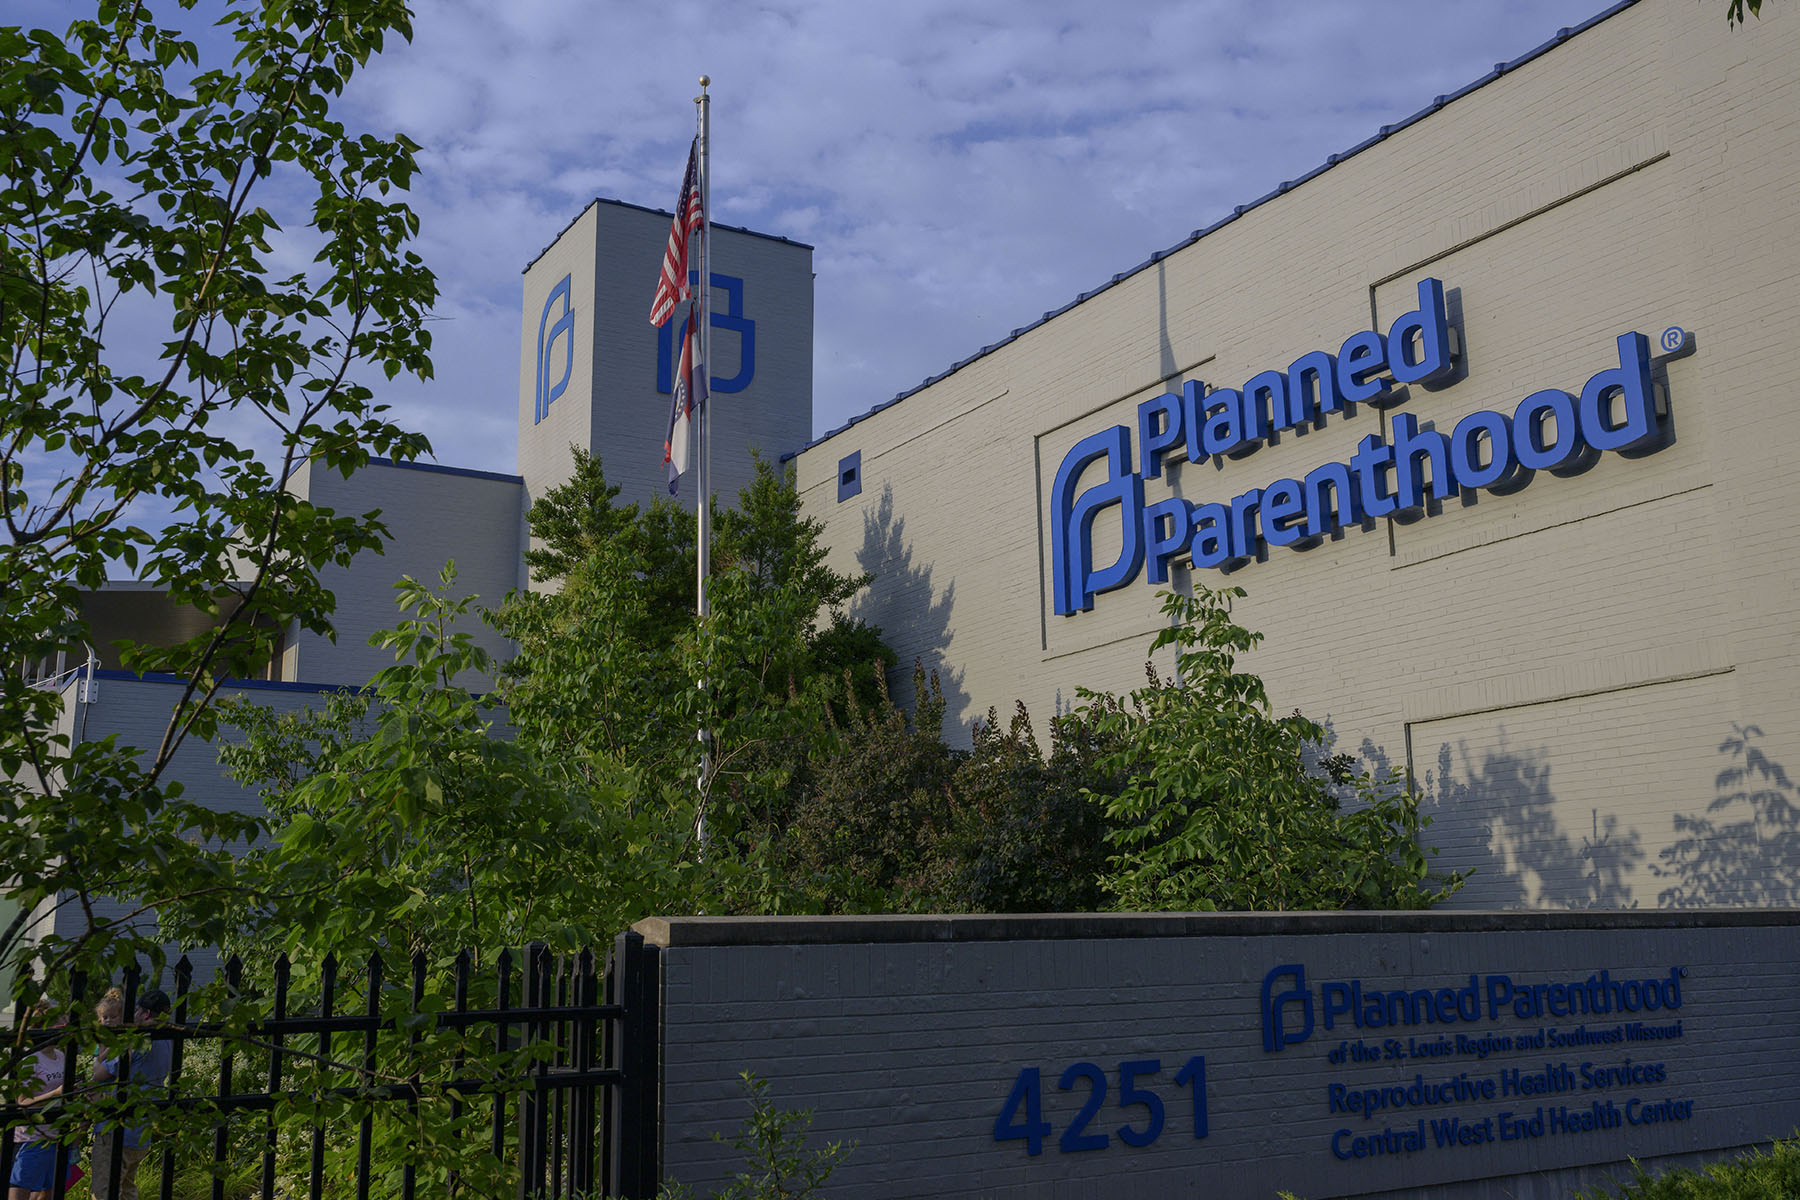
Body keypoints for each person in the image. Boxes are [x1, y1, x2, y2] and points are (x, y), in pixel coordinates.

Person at [88, 989, 171, 1200]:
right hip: (141, 1130)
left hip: (117, 1128)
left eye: (136, 1010)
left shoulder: (136, 1042)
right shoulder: (169, 1040)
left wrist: (100, 1051)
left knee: (106, 1190)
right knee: (127, 1189)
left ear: (144, 1014)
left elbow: (99, 1073)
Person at [8, 999, 67, 1200]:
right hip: (31, 1138)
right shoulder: (29, 1059)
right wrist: (55, 1094)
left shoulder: (61, 1055)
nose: (63, 1029)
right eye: (59, 1025)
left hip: (55, 1135)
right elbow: (22, 1103)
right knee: (20, 1190)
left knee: (49, 1191)